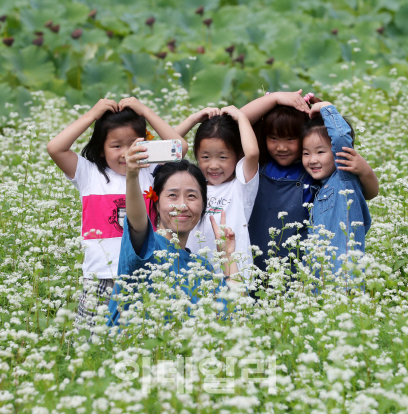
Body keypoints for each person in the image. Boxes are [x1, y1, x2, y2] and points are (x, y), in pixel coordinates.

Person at [46, 97, 188, 328]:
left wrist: (144, 110)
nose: (126, 153)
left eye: (134, 144)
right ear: (101, 149)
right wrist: (92, 114)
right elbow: (55, 147)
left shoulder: (150, 169)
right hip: (101, 276)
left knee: (140, 337)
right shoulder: (89, 174)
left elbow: (179, 147)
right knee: (92, 342)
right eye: (116, 146)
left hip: (144, 273)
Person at [240, 91, 378, 279]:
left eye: (291, 139)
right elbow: (237, 123)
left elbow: (367, 193)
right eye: (273, 138)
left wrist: (365, 171)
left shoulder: (314, 171)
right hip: (255, 262)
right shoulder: (257, 162)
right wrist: (272, 99)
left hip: (298, 271)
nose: (281, 147)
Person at [107, 152, 238, 327]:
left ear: (203, 204)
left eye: (192, 196)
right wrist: (132, 176)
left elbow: (235, 311)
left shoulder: (201, 268)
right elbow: (136, 221)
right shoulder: (146, 245)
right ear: (156, 203)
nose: (182, 205)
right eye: (172, 196)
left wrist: (228, 256)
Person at [175, 106, 259, 282]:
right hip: (194, 277)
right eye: (205, 157)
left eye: (222, 157)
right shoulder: (191, 184)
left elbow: (252, 153)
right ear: (196, 155)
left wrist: (241, 117)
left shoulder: (241, 187)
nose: (213, 165)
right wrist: (192, 119)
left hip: (234, 277)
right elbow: (167, 152)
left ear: (237, 156)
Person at [302, 100, 371, 277]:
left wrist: (326, 108)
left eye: (320, 152)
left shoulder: (343, 176)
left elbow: (341, 138)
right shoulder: (317, 188)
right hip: (320, 282)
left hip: (344, 280)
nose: (312, 159)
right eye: (306, 153)